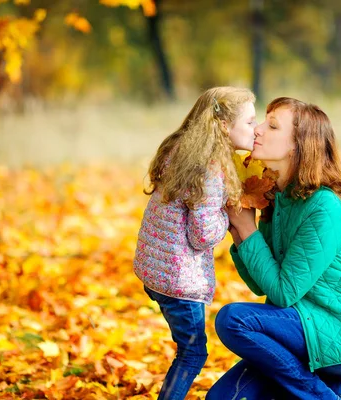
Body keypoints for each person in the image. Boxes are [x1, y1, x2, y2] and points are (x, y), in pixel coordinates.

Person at [207, 97, 341, 400]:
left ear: (298, 144)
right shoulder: (279, 197)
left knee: (233, 320)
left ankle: (322, 395)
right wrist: (239, 231)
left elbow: (281, 292)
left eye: (272, 125)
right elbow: (260, 284)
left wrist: (246, 227)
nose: (256, 130)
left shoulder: (324, 205)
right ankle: (322, 387)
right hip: (306, 329)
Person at [134, 87, 257, 399]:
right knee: (193, 354)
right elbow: (201, 235)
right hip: (180, 283)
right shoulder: (211, 168)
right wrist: (231, 215)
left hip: (155, 272)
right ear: (225, 127)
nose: (255, 130)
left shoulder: (183, 151)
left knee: (186, 346)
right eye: (250, 122)